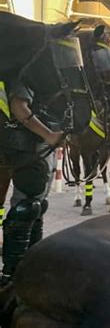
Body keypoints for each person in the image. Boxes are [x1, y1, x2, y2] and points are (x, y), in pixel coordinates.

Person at [1, 79, 64, 285]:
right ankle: (12, 274)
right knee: (27, 206)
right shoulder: (24, 72)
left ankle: (28, 266)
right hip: (23, 145)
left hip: (32, 144)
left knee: (36, 206)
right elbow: (19, 106)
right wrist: (49, 135)